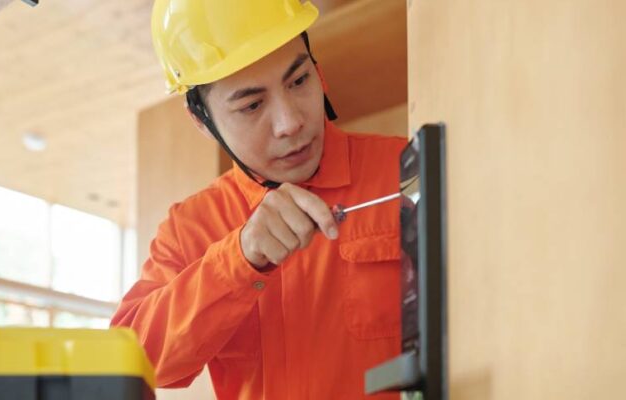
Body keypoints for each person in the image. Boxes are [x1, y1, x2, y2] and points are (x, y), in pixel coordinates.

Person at [111, 1, 406, 398]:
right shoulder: (190, 227)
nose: (291, 123)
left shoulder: (403, 168)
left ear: (318, 71)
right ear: (202, 121)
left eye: (299, 80)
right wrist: (237, 261)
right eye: (252, 105)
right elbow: (130, 365)